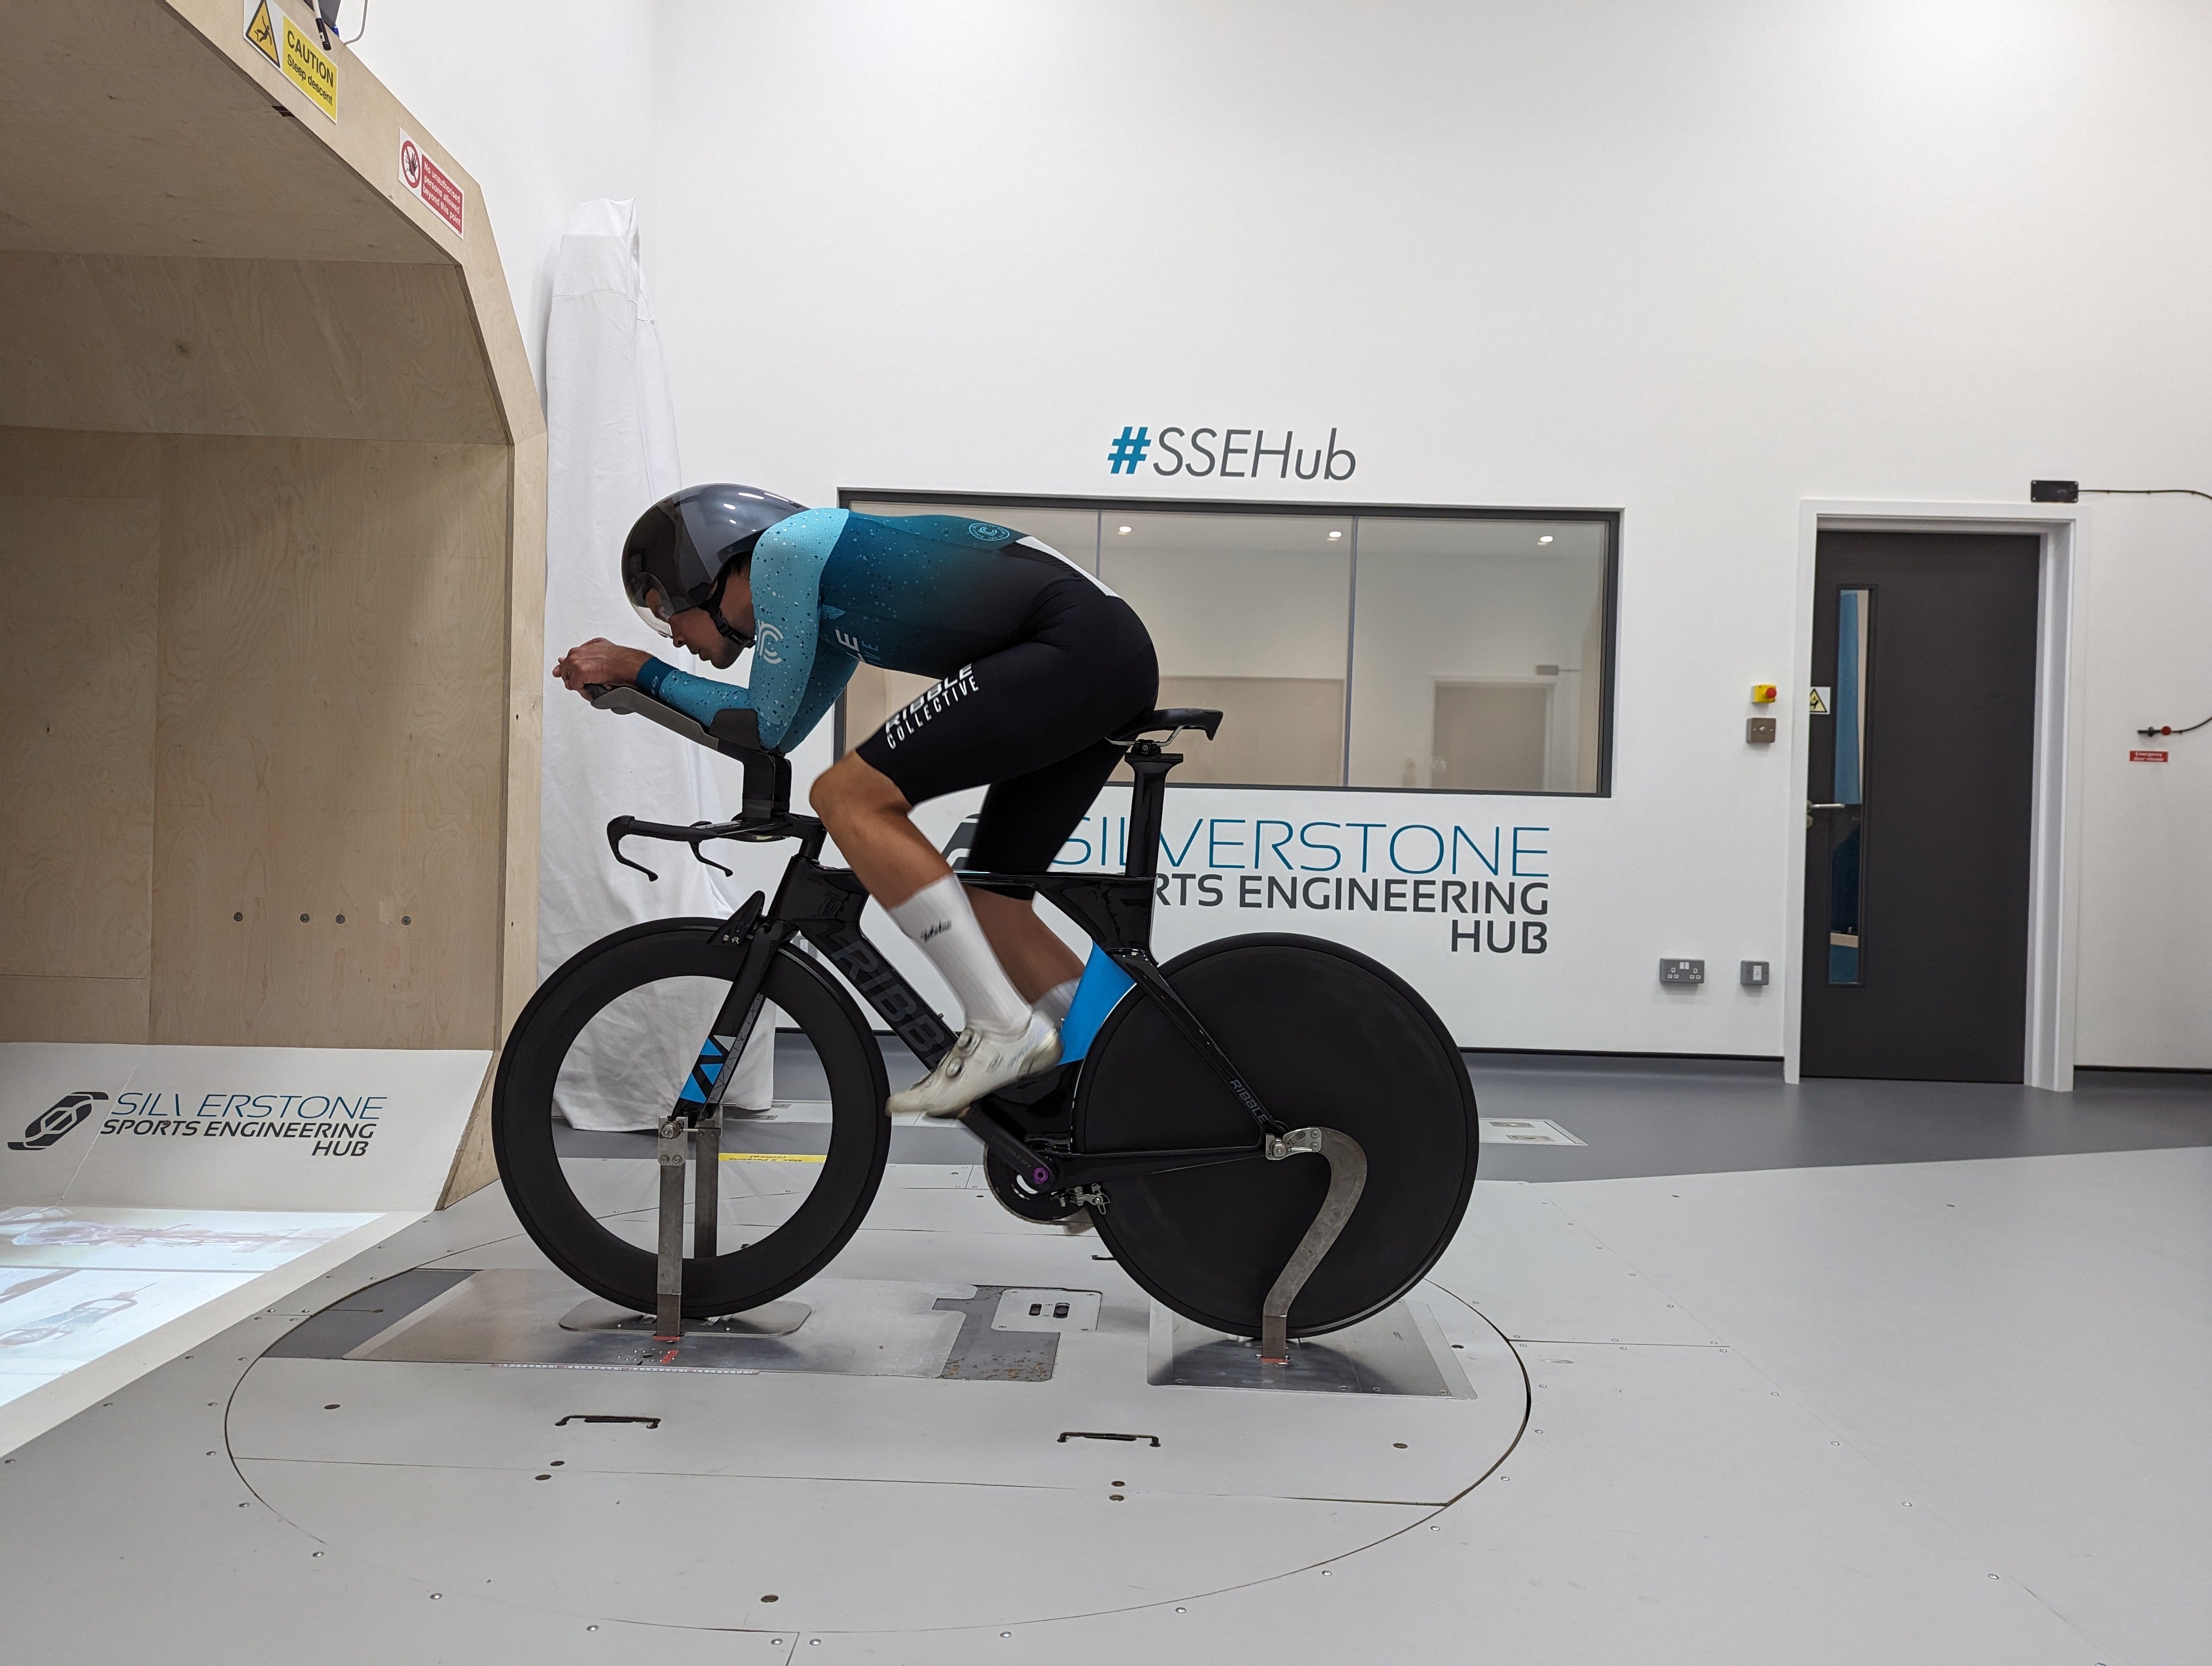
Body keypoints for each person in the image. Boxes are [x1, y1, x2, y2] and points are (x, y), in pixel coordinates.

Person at [552, 485, 1159, 1118]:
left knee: (847, 796)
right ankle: (1133, 1085)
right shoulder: (827, 585)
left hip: (1076, 649)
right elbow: (773, 733)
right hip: (1105, 653)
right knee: (993, 897)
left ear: (706, 573)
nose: (672, 634)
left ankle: (1003, 1028)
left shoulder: (784, 551)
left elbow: (758, 724)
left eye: (663, 609)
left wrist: (640, 669)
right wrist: (638, 686)